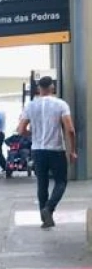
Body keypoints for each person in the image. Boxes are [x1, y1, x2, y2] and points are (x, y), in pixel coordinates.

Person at [17, 75, 77, 228]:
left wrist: (33, 135)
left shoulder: (30, 106)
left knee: (41, 184)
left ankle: (45, 219)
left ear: (38, 89)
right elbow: (70, 129)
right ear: (52, 88)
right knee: (61, 182)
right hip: (56, 150)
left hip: (38, 151)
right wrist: (73, 150)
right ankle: (49, 209)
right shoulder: (61, 104)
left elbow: (21, 130)